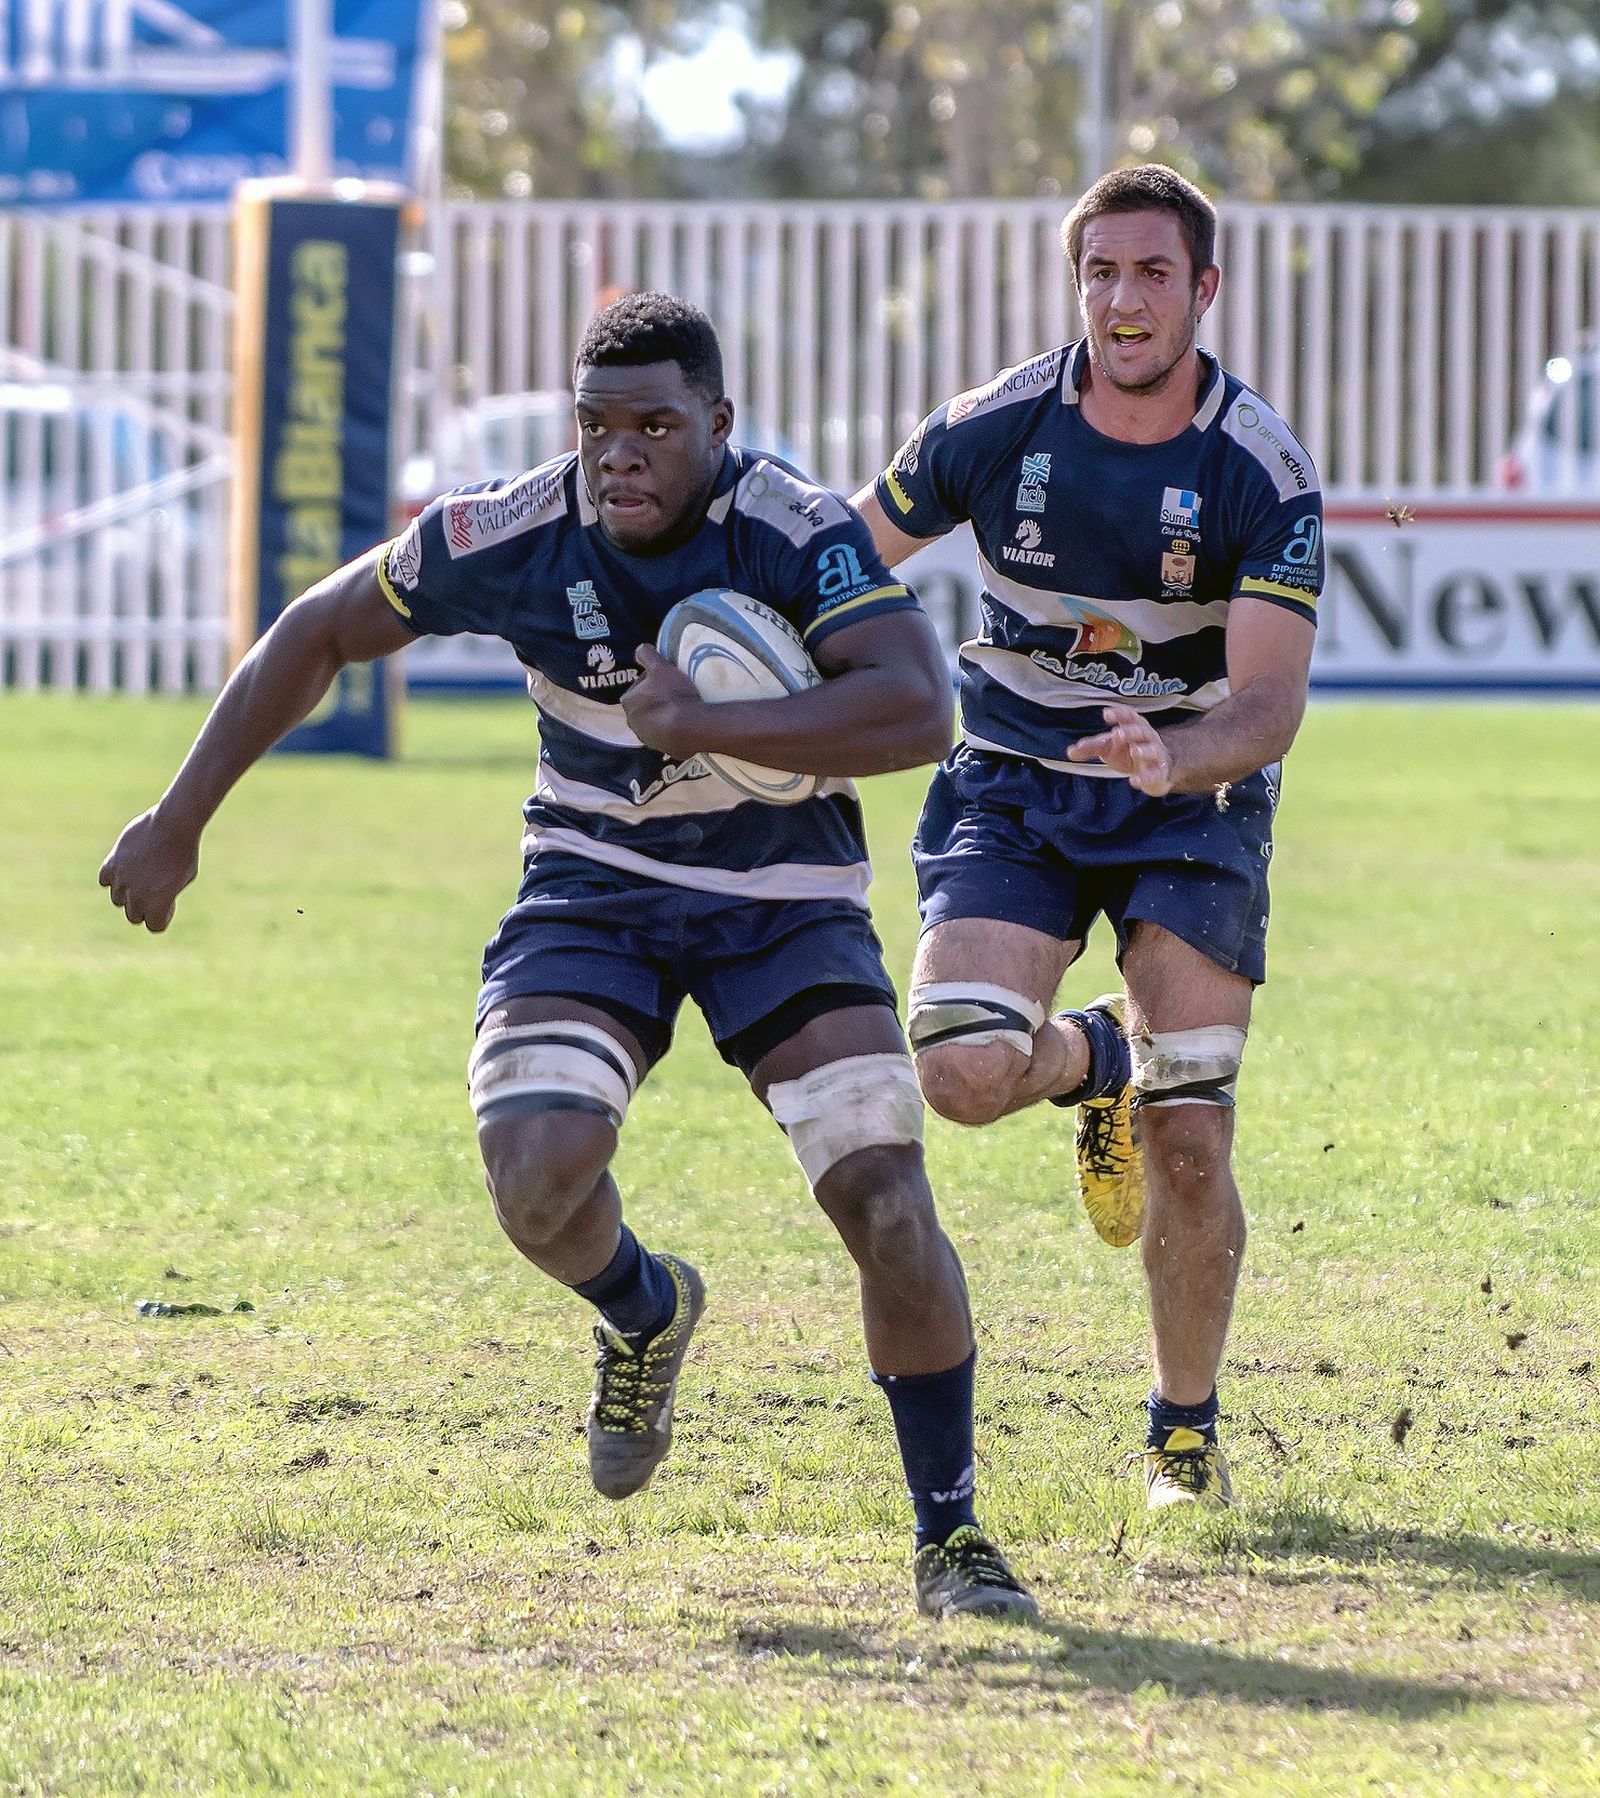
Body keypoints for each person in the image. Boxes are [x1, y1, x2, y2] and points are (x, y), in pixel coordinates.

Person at [99, 293, 1036, 1620]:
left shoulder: (794, 527)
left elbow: (919, 705)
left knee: (885, 1199)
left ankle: (952, 1536)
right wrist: (177, 819)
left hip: (783, 896)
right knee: (535, 1178)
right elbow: (316, 628)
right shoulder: (511, 530)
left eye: (656, 423)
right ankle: (644, 1309)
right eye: (596, 425)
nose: (621, 453)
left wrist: (712, 714)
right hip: (593, 889)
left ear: (718, 422)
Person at [852, 166, 1325, 1508]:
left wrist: (1171, 755)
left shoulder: (1259, 468)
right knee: (958, 1069)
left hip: (1195, 795)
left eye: (1154, 274)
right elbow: (841, 555)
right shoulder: (993, 427)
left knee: (1190, 1132)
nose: (1124, 301)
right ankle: (1091, 1055)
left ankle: (1182, 1430)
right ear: (1078, 286)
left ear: (1204, 292)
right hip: (1016, 775)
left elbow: (1271, 703)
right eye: (1102, 272)